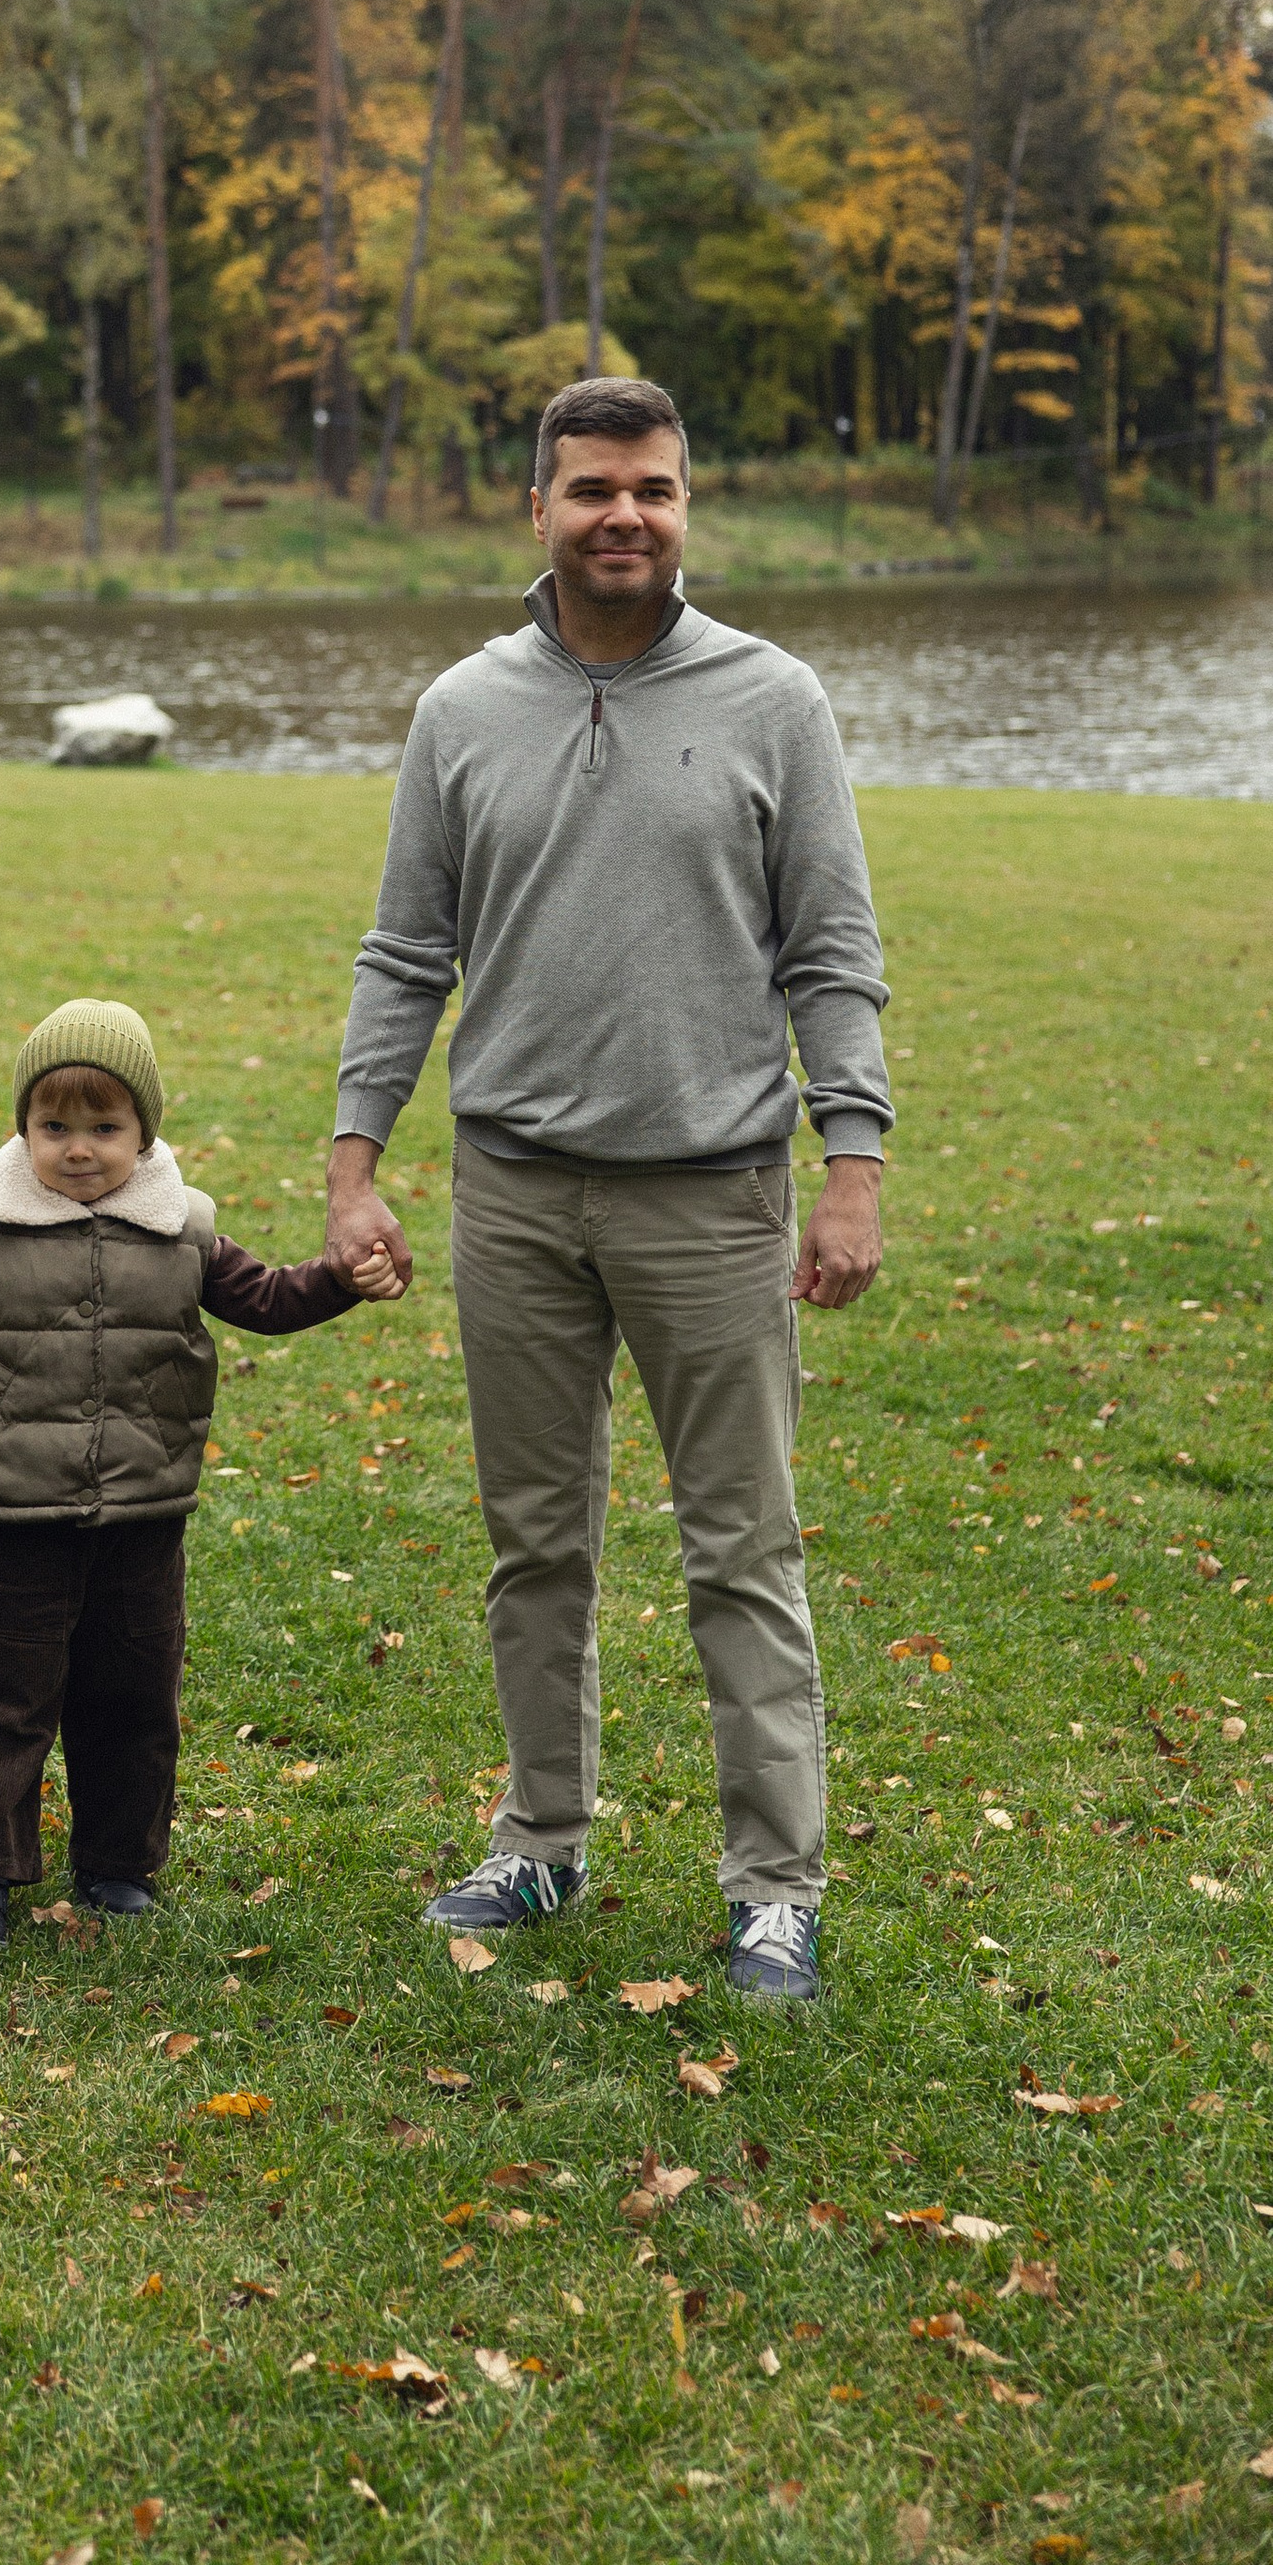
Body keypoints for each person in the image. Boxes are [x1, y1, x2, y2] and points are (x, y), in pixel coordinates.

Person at [324, 379, 890, 2006]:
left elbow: (833, 956)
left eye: (652, 489)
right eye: (591, 490)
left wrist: (851, 1168)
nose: (622, 516)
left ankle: (775, 1885)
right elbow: (403, 952)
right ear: (540, 510)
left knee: (743, 1551)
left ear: (686, 507)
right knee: (533, 1546)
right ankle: (544, 1838)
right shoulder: (462, 712)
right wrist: (356, 1165)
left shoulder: (776, 701)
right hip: (512, 1192)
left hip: (713, 1195)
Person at [0, 997, 394, 1952]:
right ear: (24, 1127)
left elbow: (268, 1299)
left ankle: (117, 1867)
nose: (80, 1148)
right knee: (3, 1700)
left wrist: (345, 1278)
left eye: (106, 1127)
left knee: (133, 1698)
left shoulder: (184, 1231)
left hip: (144, 1511)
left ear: (145, 1132)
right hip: (15, 1512)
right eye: (55, 1126)